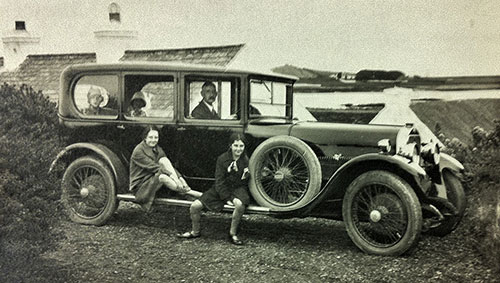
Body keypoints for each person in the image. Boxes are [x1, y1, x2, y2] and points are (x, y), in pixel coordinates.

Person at [177, 133, 250, 245]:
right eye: (236, 146)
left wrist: (243, 175)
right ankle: (195, 231)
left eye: (241, 146)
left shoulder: (246, 160)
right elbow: (219, 181)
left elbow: (244, 183)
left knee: (239, 204)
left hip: (237, 189)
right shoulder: (222, 159)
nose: (238, 149)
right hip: (221, 188)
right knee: (195, 206)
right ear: (230, 145)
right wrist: (226, 198)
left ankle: (233, 234)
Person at [129, 125, 202, 212]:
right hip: (141, 186)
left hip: (152, 179)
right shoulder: (138, 151)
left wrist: (180, 178)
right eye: (150, 137)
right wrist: (173, 177)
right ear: (145, 138)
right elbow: (155, 168)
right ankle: (190, 192)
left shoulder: (157, 148)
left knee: (164, 160)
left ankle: (186, 190)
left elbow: (168, 166)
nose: (153, 140)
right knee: (162, 177)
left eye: (156, 137)